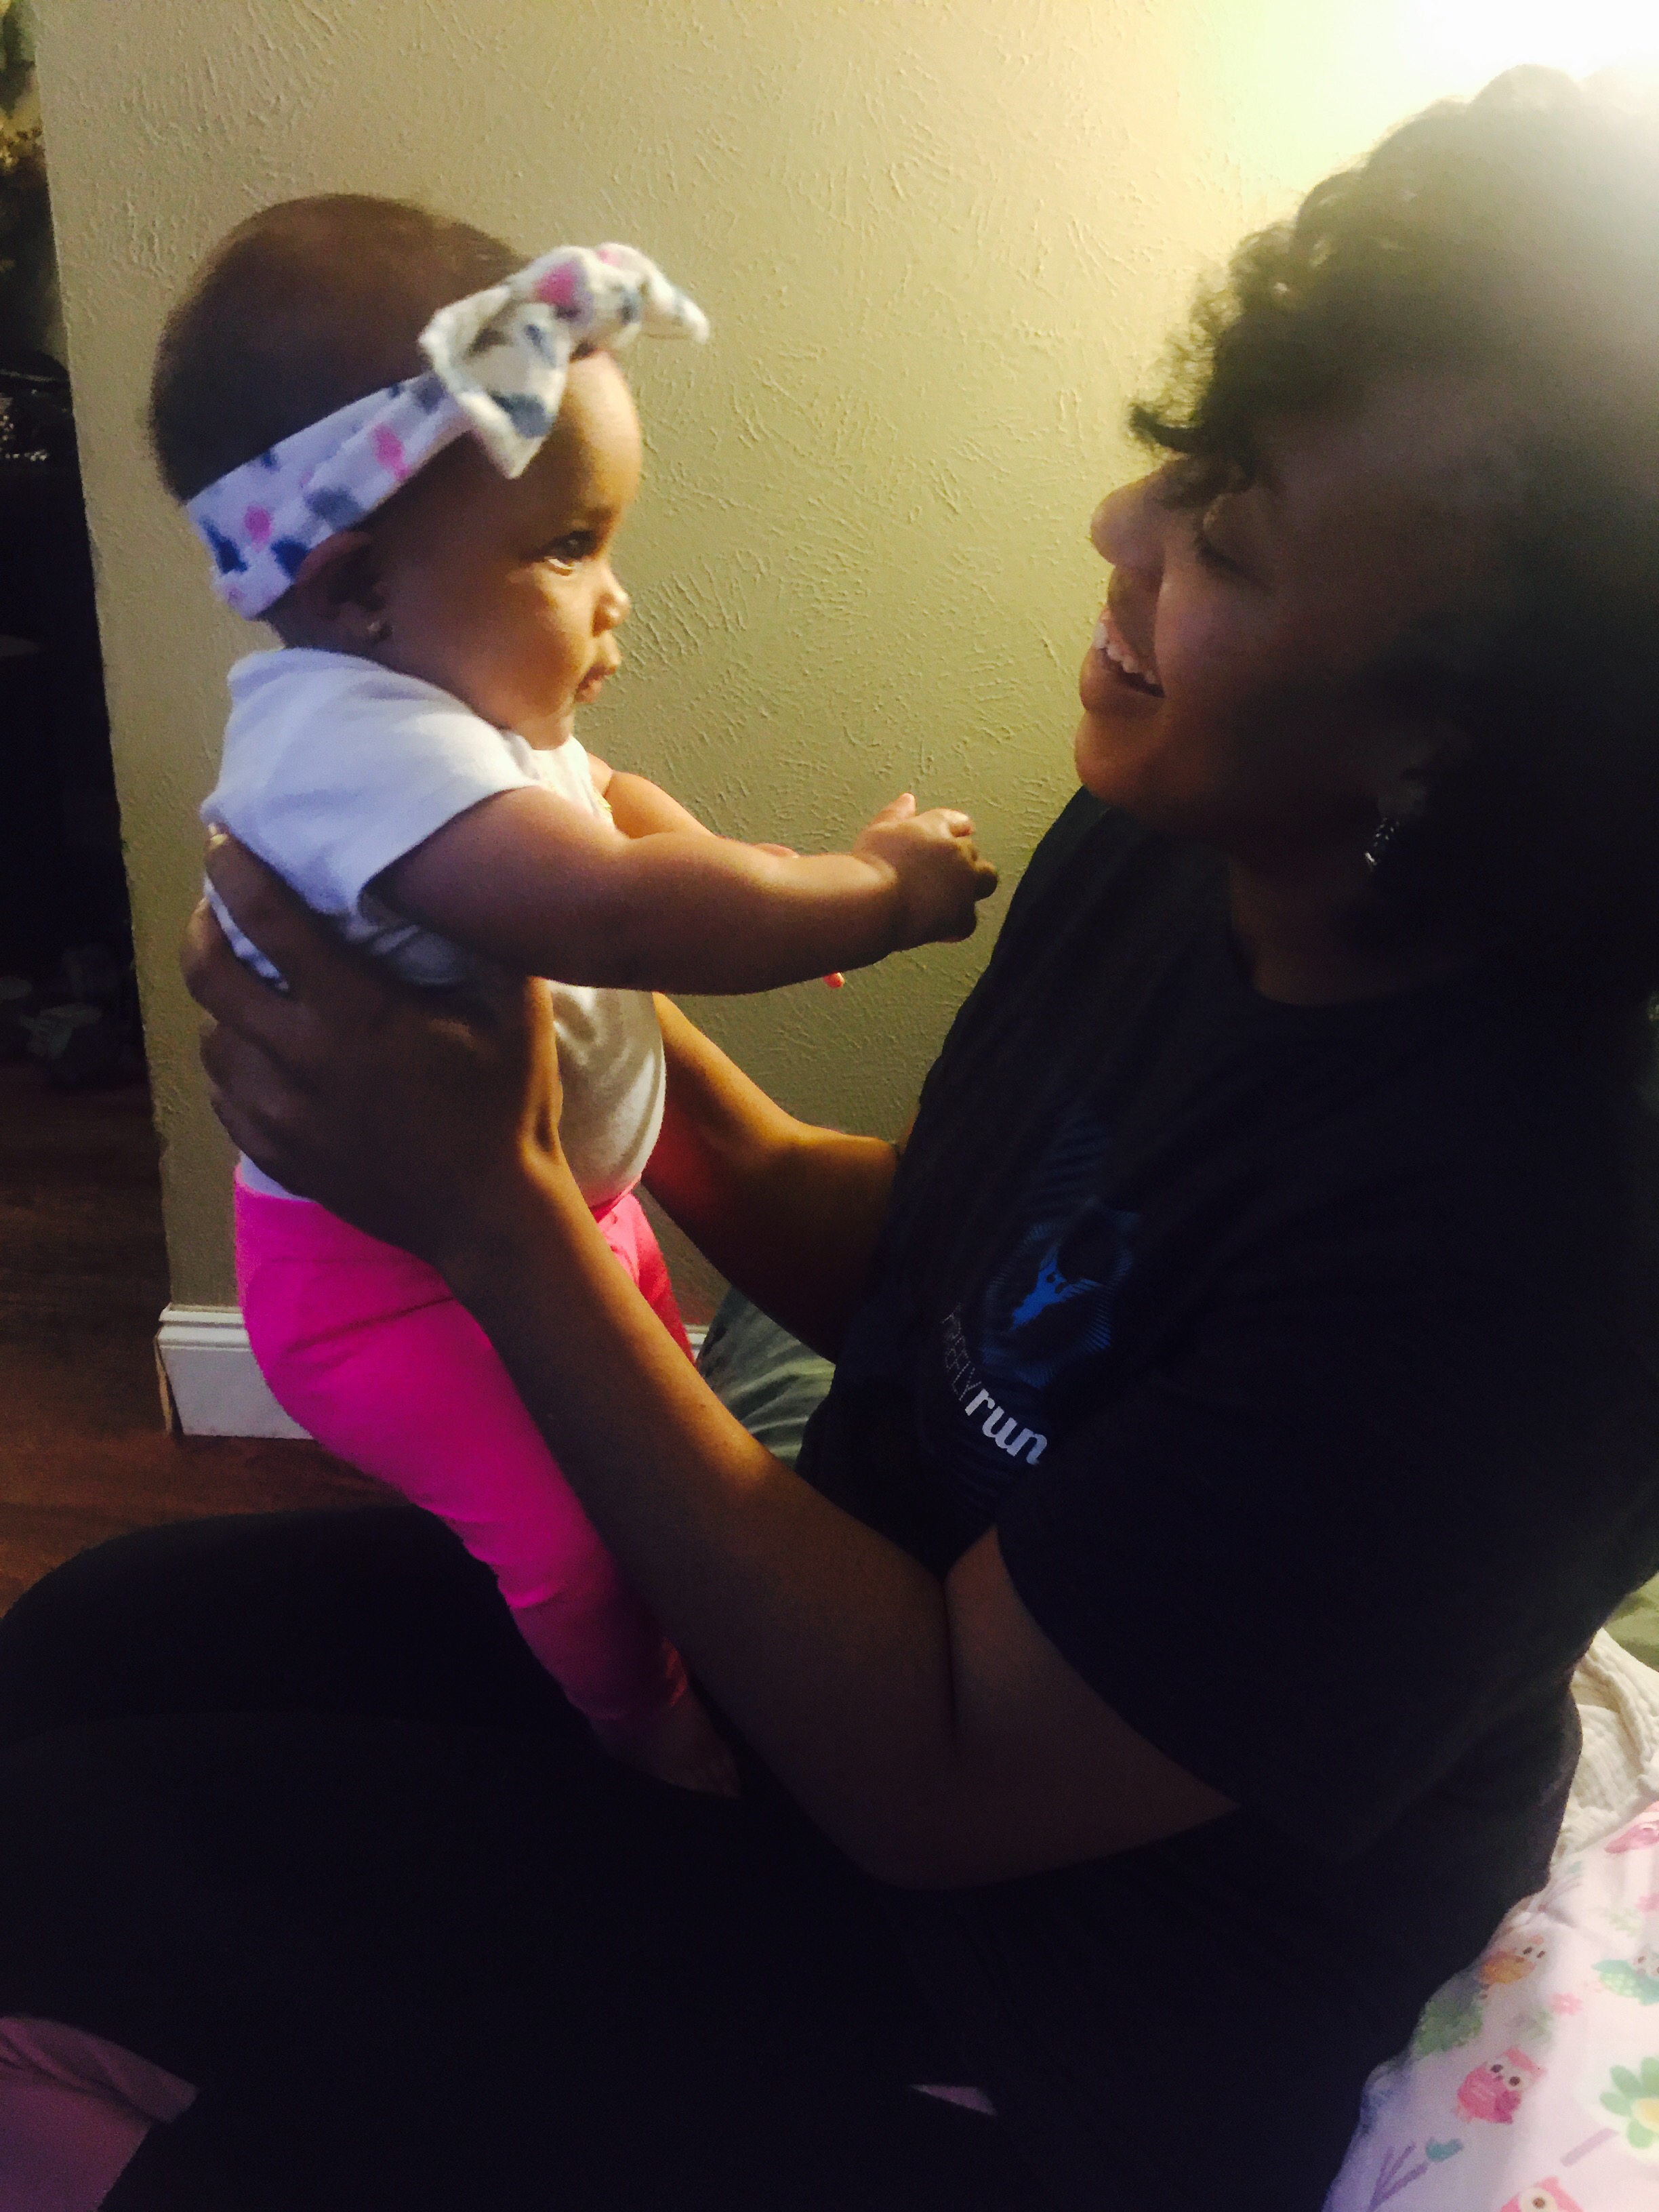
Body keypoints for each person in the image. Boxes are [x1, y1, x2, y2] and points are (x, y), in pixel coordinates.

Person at [5, 64, 1659, 2212]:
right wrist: (548, 1020)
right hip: (842, 1632)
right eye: (1182, 458)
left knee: (68, 1885)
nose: (1122, 530)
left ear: (1466, 740)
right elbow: (947, 1271)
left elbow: (942, 1778)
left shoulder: (1532, 1238)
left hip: (1044, 2001)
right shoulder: (1197, 843)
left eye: (1227, 537)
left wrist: (494, 1210)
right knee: (90, 1644)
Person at [148, 197, 996, 1793]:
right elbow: (609, 906)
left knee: (651, 1467)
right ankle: (646, 1732)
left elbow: (619, 821)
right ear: (354, 588)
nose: (615, 598)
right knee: (580, 1547)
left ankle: (682, 1641)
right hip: (384, 1285)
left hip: (566, 1203)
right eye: (566, 547)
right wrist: (871, 896)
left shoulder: (456, 705)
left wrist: (749, 880)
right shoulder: (341, 747)